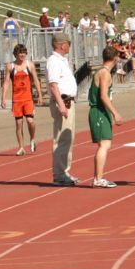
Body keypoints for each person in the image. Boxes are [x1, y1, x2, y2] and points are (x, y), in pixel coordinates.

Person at [88, 46, 124, 188]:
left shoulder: (103, 71)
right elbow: (103, 95)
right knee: (104, 144)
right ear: (115, 58)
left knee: (104, 144)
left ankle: (98, 177)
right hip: (99, 111)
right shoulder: (105, 73)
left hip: (101, 111)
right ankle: (98, 178)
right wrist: (115, 113)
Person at [47, 33, 79, 186]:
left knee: (68, 138)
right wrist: (60, 104)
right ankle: (59, 174)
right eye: (68, 43)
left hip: (67, 101)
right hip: (63, 102)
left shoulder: (61, 61)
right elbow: (53, 85)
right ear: (62, 45)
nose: (69, 46)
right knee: (62, 138)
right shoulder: (54, 61)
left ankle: (64, 171)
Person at [1, 44, 43, 155]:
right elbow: (6, 83)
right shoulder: (10, 67)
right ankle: (21, 147)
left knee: (30, 121)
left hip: (28, 99)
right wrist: (3, 98)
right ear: (15, 54)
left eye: (24, 52)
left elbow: (36, 80)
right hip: (16, 100)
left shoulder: (30, 65)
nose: (22, 54)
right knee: (19, 123)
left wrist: (40, 95)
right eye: (20, 53)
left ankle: (32, 139)